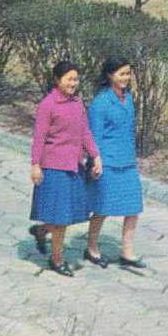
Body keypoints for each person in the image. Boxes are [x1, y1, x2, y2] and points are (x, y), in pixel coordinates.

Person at [29, 60, 102, 277]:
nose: (73, 83)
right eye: (69, 79)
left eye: (76, 79)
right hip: (53, 167)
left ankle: (42, 231)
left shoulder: (77, 103)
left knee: (66, 214)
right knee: (61, 218)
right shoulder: (48, 105)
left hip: (74, 166)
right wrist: (35, 165)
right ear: (57, 80)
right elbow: (39, 138)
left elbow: (85, 132)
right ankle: (57, 259)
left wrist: (95, 155)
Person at [85, 57, 146, 270]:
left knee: (133, 206)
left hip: (127, 161)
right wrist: (95, 162)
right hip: (107, 162)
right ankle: (91, 248)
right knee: (102, 207)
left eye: (128, 73)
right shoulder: (100, 103)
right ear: (110, 75)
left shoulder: (128, 98)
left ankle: (127, 252)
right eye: (122, 74)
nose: (126, 78)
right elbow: (93, 136)